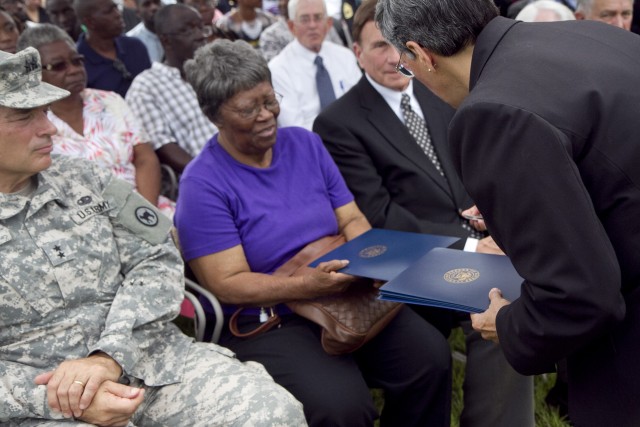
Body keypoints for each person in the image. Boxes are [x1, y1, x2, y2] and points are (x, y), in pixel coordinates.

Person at [0, 45, 306, 427]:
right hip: (37, 397)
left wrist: (109, 355)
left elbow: (157, 258)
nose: (48, 127)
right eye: (24, 116)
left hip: (147, 359)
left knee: (272, 415)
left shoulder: (85, 179)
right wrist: (57, 399)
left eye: (45, 112)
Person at [376, 1, 640, 426]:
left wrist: (509, 323)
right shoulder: (592, 35)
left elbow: (580, 295)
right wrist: (519, 208)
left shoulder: (492, 111)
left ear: (421, 54)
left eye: (406, 66)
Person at [174, 38, 452, 427]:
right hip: (272, 319)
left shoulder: (305, 144)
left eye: (270, 99)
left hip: (343, 290)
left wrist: (368, 262)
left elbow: (352, 220)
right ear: (214, 116)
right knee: (341, 406)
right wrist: (308, 286)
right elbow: (228, 284)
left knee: (429, 359)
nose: (267, 114)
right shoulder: (203, 183)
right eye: (247, 109)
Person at [313, 2, 534, 426]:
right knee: (494, 298)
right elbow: (379, 215)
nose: (394, 58)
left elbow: (479, 169)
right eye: (379, 46)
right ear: (355, 53)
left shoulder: (440, 92)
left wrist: (494, 217)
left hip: (474, 238)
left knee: (512, 299)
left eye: (398, 45)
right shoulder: (338, 123)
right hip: (406, 259)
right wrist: (470, 245)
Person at [17, 24, 174, 218]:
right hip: (84, 227)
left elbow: (145, 159)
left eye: (77, 61)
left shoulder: (110, 101)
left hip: (145, 207)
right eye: (58, 66)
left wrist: (145, 215)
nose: (74, 70)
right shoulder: (31, 124)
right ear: (33, 75)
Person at [126, 4, 217, 175]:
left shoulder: (216, 69)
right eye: (188, 31)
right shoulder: (146, 86)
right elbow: (164, 148)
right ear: (166, 40)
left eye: (200, 27)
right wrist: (211, 175)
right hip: (204, 176)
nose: (199, 36)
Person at [268, 0, 361, 130]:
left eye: (318, 18)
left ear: (328, 23)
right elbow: (294, 128)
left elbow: (362, 104)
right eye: (304, 19)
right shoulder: (279, 69)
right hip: (312, 145)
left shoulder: (345, 56)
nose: (312, 25)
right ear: (291, 26)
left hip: (356, 136)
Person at [74, 0, 152, 97]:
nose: (118, 14)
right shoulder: (77, 62)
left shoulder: (135, 46)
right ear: (90, 22)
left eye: (116, 8)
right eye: (109, 11)